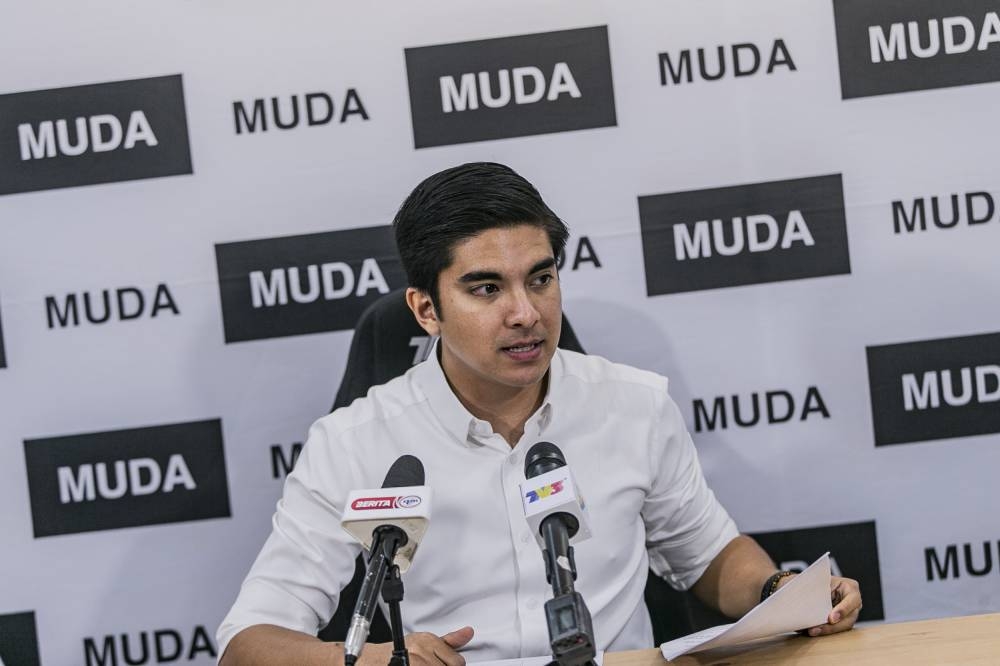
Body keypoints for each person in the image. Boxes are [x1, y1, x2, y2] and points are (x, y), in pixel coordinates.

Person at [217, 162, 862, 665]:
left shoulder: (634, 405)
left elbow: (709, 557)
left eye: (541, 278)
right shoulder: (353, 442)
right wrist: (377, 659)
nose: (525, 313)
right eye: (486, 288)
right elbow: (249, 642)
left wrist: (781, 592)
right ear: (425, 310)